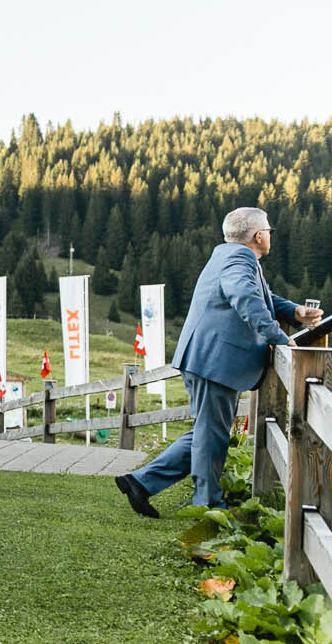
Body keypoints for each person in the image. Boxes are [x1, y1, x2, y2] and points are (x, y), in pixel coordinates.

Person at [117, 207, 321, 517]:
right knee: (211, 435)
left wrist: (293, 312)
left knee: (207, 432)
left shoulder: (229, 255)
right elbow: (245, 298)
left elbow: (261, 295)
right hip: (216, 361)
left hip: (207, 357)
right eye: (268, 230)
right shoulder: (240, 260)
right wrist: (280, 338)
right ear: (258, 236)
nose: (269, 235)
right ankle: (208, 504)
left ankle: (141, 483)